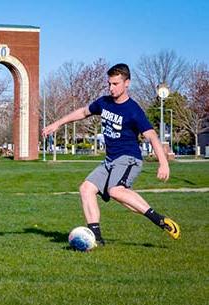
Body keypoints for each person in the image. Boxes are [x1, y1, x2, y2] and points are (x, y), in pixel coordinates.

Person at [42, 63, 180, 246]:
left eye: (115, 84)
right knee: (86, 189)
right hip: (109, 160)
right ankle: (96, 238)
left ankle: (159, 220)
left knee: (115, 190)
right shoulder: (104, 102)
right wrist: (57, 124)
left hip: (129, 158)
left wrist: (163, 163)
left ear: (127, 83)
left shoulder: (133, 110)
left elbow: (152, 136)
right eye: (109, 84)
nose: (111, 88)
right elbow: (83, 112)